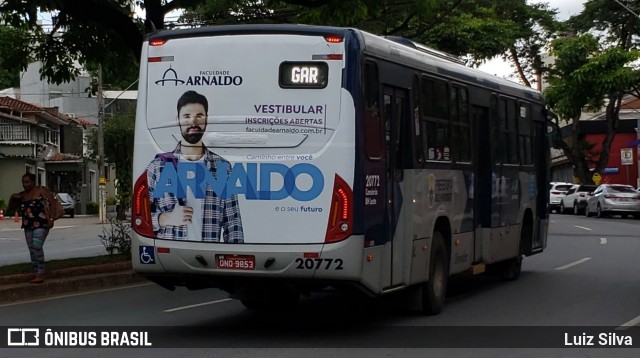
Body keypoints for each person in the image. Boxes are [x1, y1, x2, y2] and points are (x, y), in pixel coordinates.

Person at [146, 90, 244, 242]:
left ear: (206, 119)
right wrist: (166, 218)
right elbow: (139, 218)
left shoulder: (222, 167)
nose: (193, 122)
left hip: (209, 259)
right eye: (187, 116)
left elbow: (233, 224)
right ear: (177, 120)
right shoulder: (158, 167)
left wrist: (235, 259)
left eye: (199, 116)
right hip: (171, 258)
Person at [8, 173, 56, 283]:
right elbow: (11, 208)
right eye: (23, 182)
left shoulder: (41, 191)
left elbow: (52, 203)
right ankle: (36, 272)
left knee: (36, 246)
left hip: (42, 223)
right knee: (32, 249)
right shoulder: (22, 195)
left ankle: (41, 272)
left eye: (27, 182)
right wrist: (13, 197)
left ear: (33, 182)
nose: (25, 185)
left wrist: (51, 219)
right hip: (28, 225)